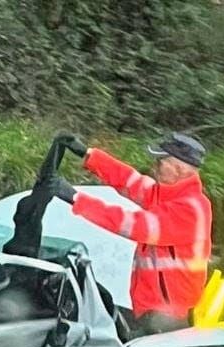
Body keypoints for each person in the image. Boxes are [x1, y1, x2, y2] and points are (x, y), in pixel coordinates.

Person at [48, 132, 213, 335]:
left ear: (178, 168)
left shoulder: (191, 209)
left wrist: (75, 198)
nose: (155, 165)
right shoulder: (167, 194)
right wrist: (88, 154)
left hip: (168, 316)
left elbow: (133, 225)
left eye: (161, 161)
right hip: (153, 309)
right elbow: (129, 181)